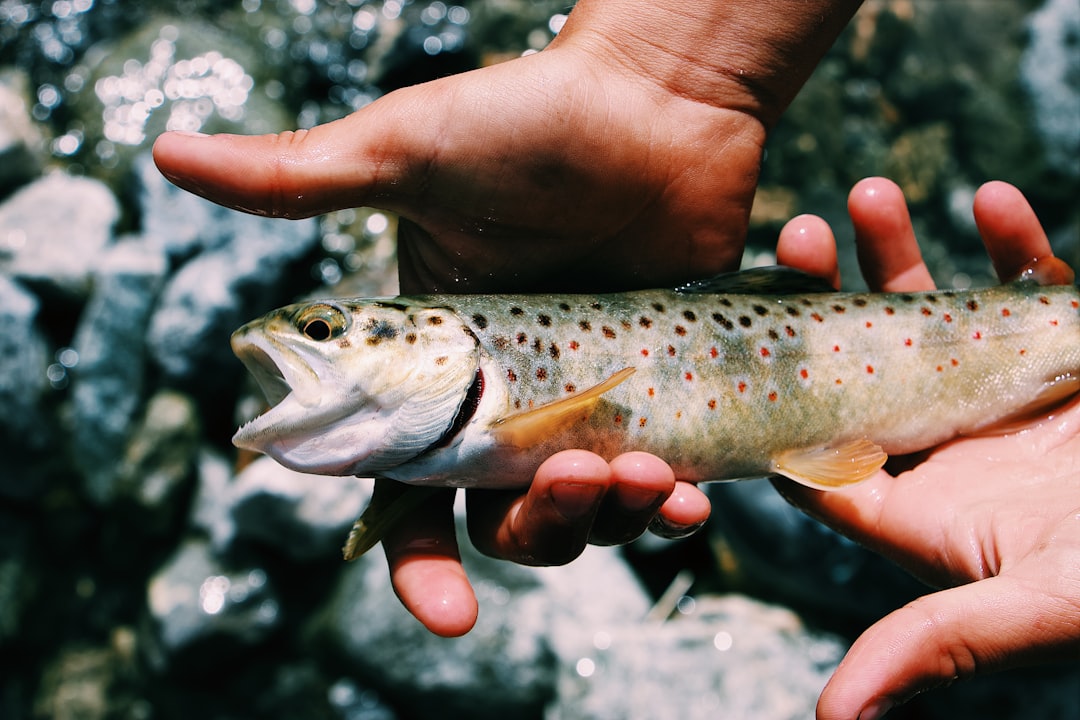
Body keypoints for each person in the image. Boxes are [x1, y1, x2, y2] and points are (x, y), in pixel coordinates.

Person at [152, 1, 1080, 717]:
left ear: (446, 342)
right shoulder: (440, 437)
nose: (296, 349)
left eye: (324, 335)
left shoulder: (478, 414)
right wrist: (667, 76)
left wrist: (663, 74)